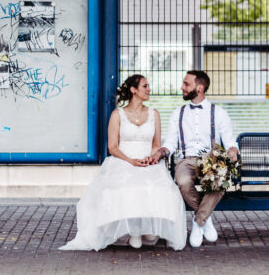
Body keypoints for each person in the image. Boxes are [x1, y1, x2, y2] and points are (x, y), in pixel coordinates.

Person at [60, 74, 187, 251]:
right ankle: (134, 231)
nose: (149, 89)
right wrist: (130, 161)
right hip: (124, 159)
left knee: (160, 187)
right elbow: (112, 147)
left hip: (147, 160)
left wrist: (151, 157)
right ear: (133, 90)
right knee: (126, 186)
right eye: (145, 86)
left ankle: (148, 228)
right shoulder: (117, 114)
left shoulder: (154, 114)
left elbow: (156, 144)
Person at [154, 70, 239, 249]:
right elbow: (170, 142)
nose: (182, 87)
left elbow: (230, 141)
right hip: (186, 160)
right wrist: (161, 151)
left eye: (186, 84)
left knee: (221, 179)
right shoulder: (178, 113)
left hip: (211, 160)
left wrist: (232, 150)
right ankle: (204, 220)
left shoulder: (220, 113)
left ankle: (198, 221)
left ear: (199, 88)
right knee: (183, 181)